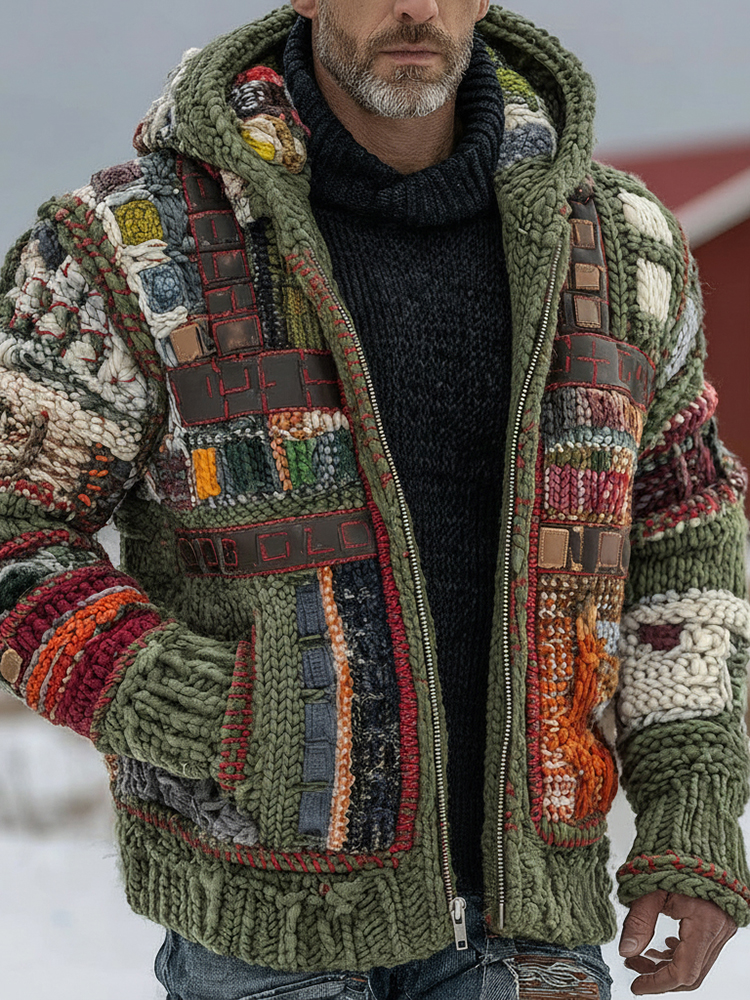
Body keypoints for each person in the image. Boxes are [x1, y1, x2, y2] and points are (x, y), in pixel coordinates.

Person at [0, 1, 748, 996]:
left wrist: (693, 817)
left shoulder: (622, 248)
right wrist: (212, 712)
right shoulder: (135, 242)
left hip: (533, 933)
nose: (417, 10)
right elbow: (15, 522)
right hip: (263, 937)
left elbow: (684, 538)